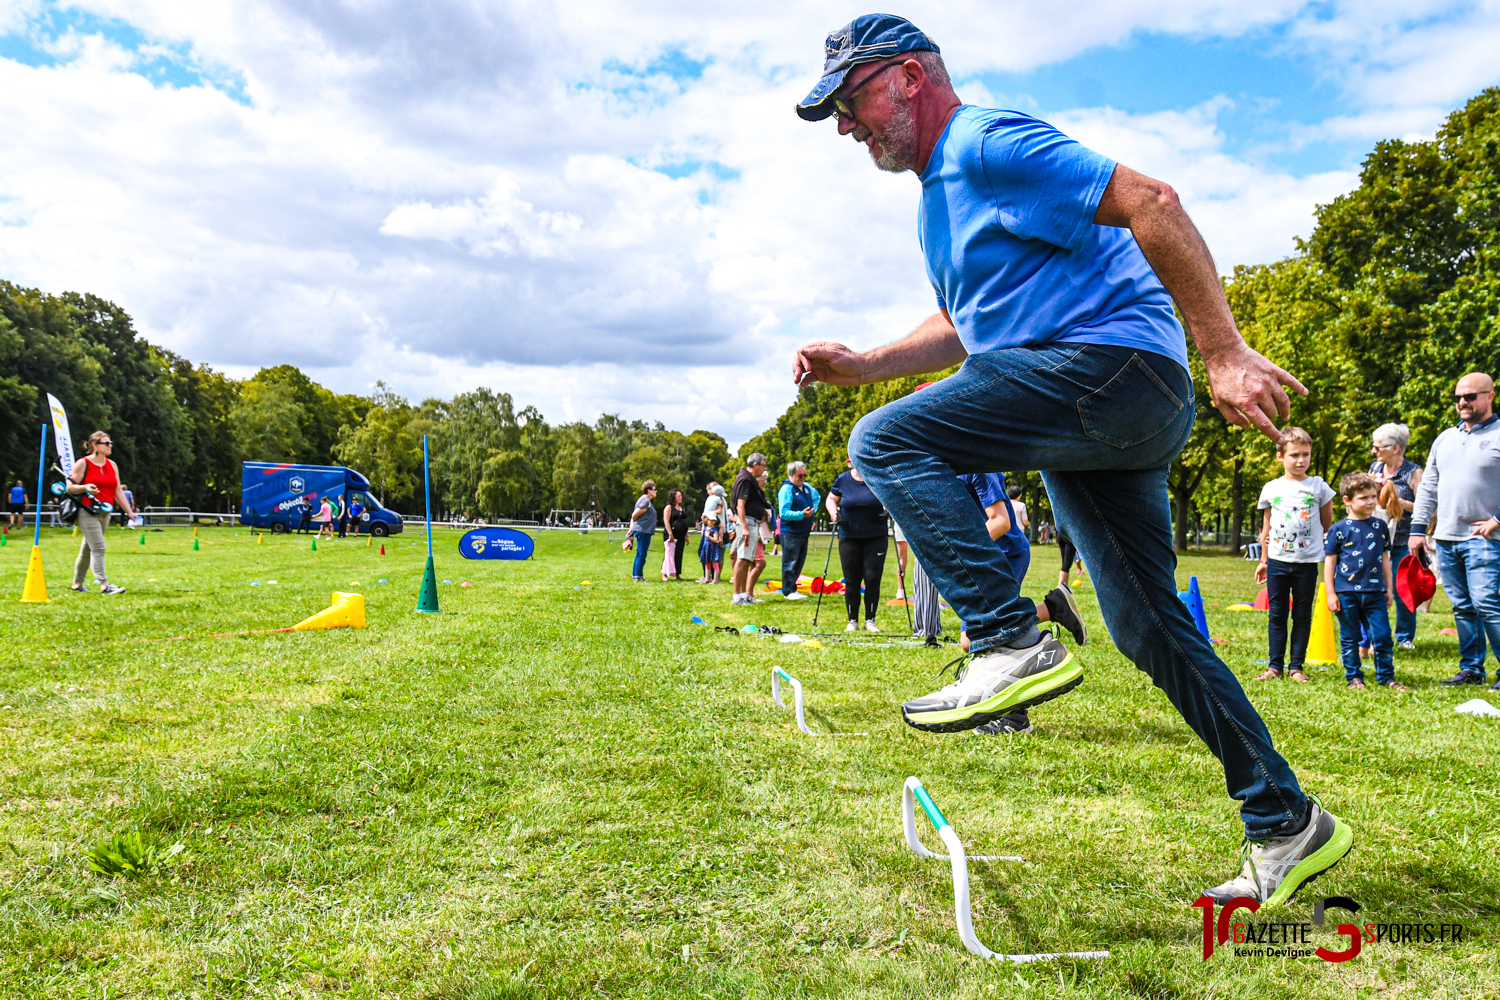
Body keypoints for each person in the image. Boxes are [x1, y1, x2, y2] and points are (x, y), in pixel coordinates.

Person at [791, 14, 1348, 904]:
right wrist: (863, 365)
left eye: (850, 101)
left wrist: (1225, 351)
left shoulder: (986, 143)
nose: (846, 126)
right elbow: (965, 330)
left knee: (885, 442)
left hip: (1111, 372)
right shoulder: (938, 201)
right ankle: (1285, 819)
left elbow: (1152, 201)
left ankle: (1006, 638)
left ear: (907, 77)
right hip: (1092, 404)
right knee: (1147, 625)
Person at [955, 470, 1089, 735]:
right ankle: (1051, 608)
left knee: (987, 636)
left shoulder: (980, 462)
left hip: (1002, 553)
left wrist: (958, 553)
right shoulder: (950, 459)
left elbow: (1000, 522)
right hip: (987, 555)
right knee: (970, 640)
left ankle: (1013, 719)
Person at [1410, 372, 1500, 689]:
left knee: (1487, 603)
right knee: (1462, 607)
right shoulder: (1445, 438)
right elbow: (1428, 487)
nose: (1463, 402)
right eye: (1458, 397)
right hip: (1446, 538)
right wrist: (1418, 529)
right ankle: (1472, 669)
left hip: (1485, 539)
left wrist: (1497, 520)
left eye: (1470, 396)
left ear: (1490, 396)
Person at [1252, 427, 1334, 684]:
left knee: (1301, 614)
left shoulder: (1319, 486)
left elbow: (1327, 523)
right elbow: (1266, 527)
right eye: (1294, 455)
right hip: (1278, 561)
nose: (1301, 460)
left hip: (1306, 563)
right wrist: (1264, 560)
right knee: (1277, 614)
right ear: (1280, 457)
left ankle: (1296, 667)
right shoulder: (1272, 488)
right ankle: (1274, 666)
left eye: (1306, 455)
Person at [1325, 472, 1404, 691]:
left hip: (1375, 593)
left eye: (1373, 496)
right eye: (1364, 498)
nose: (1370, 502)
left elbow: (1385, 559)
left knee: (1382, 636)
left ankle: (1386, 677)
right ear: (1347, 500)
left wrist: (1389, 588)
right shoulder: (1338, 529)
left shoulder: (1380, 527)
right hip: (1346, 593)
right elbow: (1330, 562)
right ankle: (1354, 678)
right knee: (1350, 637)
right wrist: (1331, 593)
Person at [1367, 424, 1423, 649]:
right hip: (1376, 541)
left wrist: (1399, 504)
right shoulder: (1375, 468)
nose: (1374, 451)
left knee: (1404, 590)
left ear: (1396, 448)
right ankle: (1374, 637)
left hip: (1403, 541)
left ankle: (1404, 637)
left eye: (1378, 447)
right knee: (1373, 589)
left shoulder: (1414, 472)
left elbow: (1425, 508)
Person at [66, 431, 137, 594]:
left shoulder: (112, 465)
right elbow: (70, 488)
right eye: (106, 443)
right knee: (98, 547)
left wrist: (129, 511)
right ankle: (105, 586)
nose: (110, 446)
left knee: (88, 548)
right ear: (95, 446)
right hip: (87, 511)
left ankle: (77, 584)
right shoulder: (83, 463)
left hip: (105, 512)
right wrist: (85, 487)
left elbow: (118, 491)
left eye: (110, 443)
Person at [826, 460, 888, 631]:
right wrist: (834, 513)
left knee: (872, 578)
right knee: (852, 579)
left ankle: (870, 620)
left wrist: (887, 509)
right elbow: (831, 499)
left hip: (876, 536)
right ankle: (852, 620)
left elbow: (889, 496)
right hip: (849, 536)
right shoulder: (843, 480)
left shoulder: (876, 477)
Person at [777, 461, 820, 601]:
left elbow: (817, 497)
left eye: (805, 475)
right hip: (791, 532)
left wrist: (812, 512)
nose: (803, 478)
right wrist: (801, 514)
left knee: (799, 562)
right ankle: (788, 591)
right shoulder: (786, 490)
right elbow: (783, 513)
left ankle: (793, 588)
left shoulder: (807, 488)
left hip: (803, 532)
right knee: (790, 562)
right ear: (791, 475)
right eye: (800, 476)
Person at [731, 455, 770, 605]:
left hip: (752, 522)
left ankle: (744, 595)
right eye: (763, 465)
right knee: (742, 559)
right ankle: (737, 596)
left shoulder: (749, 479)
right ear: (755, 465)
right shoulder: (746, 479)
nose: (764, 469)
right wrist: (744, 527)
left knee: (747, 559)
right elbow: (740, 505)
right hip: (747, 522)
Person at [628, 481, 658, 581]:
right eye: (654, 489)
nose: (656, 491)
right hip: (643, 530)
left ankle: (635, 574)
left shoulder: (644, 500)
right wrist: (633, 527)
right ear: (649, 491)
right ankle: (638, 576)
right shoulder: (645, 501)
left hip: (643, 530)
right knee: (641, 554)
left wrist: (632, 527)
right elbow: (634, 515)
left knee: (640, 553)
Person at [661, 489, 686, 581]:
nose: (680, 498)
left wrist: (686, 535)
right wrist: (670, 533)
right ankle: (664, 574)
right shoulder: (669, 507)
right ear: (673, 497)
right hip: (671, 534)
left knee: (679, 554)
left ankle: (677, 573)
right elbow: (666, 520)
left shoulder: (682, 508)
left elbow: (684, 521)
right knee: (669, 554)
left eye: (681, 496)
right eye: (678, 496)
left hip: (681, 535)